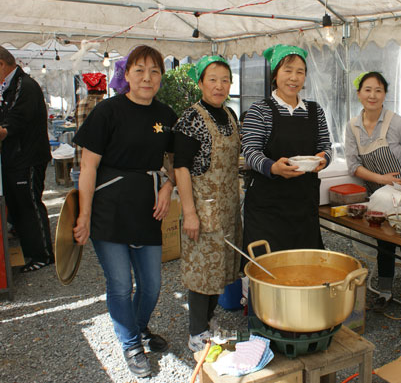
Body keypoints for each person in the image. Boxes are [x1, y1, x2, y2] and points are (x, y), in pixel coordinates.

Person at [72, 45, 177, 378]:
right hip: (109, 209)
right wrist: (84, 215)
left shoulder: (166, 115)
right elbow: (88, 167)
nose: (147, 78)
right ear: (126, 74)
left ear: (161, 77)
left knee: (152, 284)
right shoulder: (108, 111)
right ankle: (131, 343)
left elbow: (176, 161)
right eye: (139, 70)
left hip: (147, 209)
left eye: (154, 71)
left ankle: (138, 327)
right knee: (120, 285)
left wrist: (167, 186)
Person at [345, 71, 401, 311]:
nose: (372, 95)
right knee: (384, 242)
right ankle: (385, 290)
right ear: (359, 94)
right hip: (380, 195)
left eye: (378, 90)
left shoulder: (399, 124)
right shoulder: (352, 126)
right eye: (368, 90)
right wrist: (381, 179)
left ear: (385, 95)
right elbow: (353, 165)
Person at [173, 55, 242, 352]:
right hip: (202, 206)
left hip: (228, 206)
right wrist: (189, 212)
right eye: (212, 79)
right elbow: (180, 167)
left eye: (225, 80)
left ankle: (209, 321)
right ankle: (196, 333)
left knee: (221, 268)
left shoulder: (230, 115)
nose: (219, 86)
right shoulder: (191, 118)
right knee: (202, 271)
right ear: (200, 83)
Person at [242, 44, 332, 253]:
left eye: (300, 72)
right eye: (288, 70)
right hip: (267, 209)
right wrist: (273, 167)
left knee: (303, 265)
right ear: (275, 75)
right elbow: (250, 152)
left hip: (304, 204)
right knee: (267, 266)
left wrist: (324, 159)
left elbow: (326, 146)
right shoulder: (259, 110)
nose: (294, 78)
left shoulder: (315, 110)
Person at [0, 46, 54, 273]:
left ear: (2, 64)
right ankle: (30, 249)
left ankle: (42, 254)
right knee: (18, 205)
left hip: (27, 157)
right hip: (16, 157)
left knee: (29, 205)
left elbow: (11, 123)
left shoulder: (25, 86)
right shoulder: (12, 86)